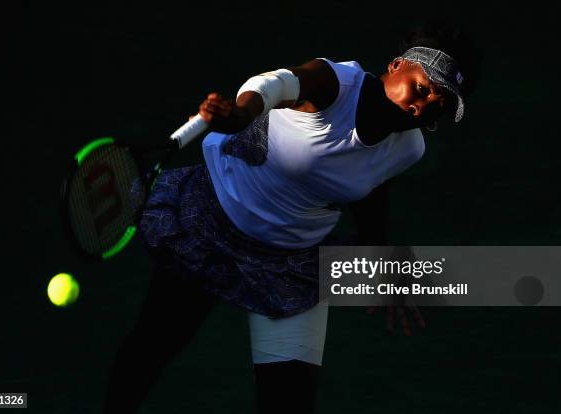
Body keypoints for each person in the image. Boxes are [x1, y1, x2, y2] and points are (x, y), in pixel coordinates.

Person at [102, 21, 481, 413]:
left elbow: (368, 187)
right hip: (212, 224)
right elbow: (276, 84)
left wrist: (382, 261)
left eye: (436, 106)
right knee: (150, 352)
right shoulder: (334, 82)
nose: (420, 107)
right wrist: (240, 115)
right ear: (398, 65)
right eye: (421, 89)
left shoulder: (410, 148)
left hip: (291, 264)